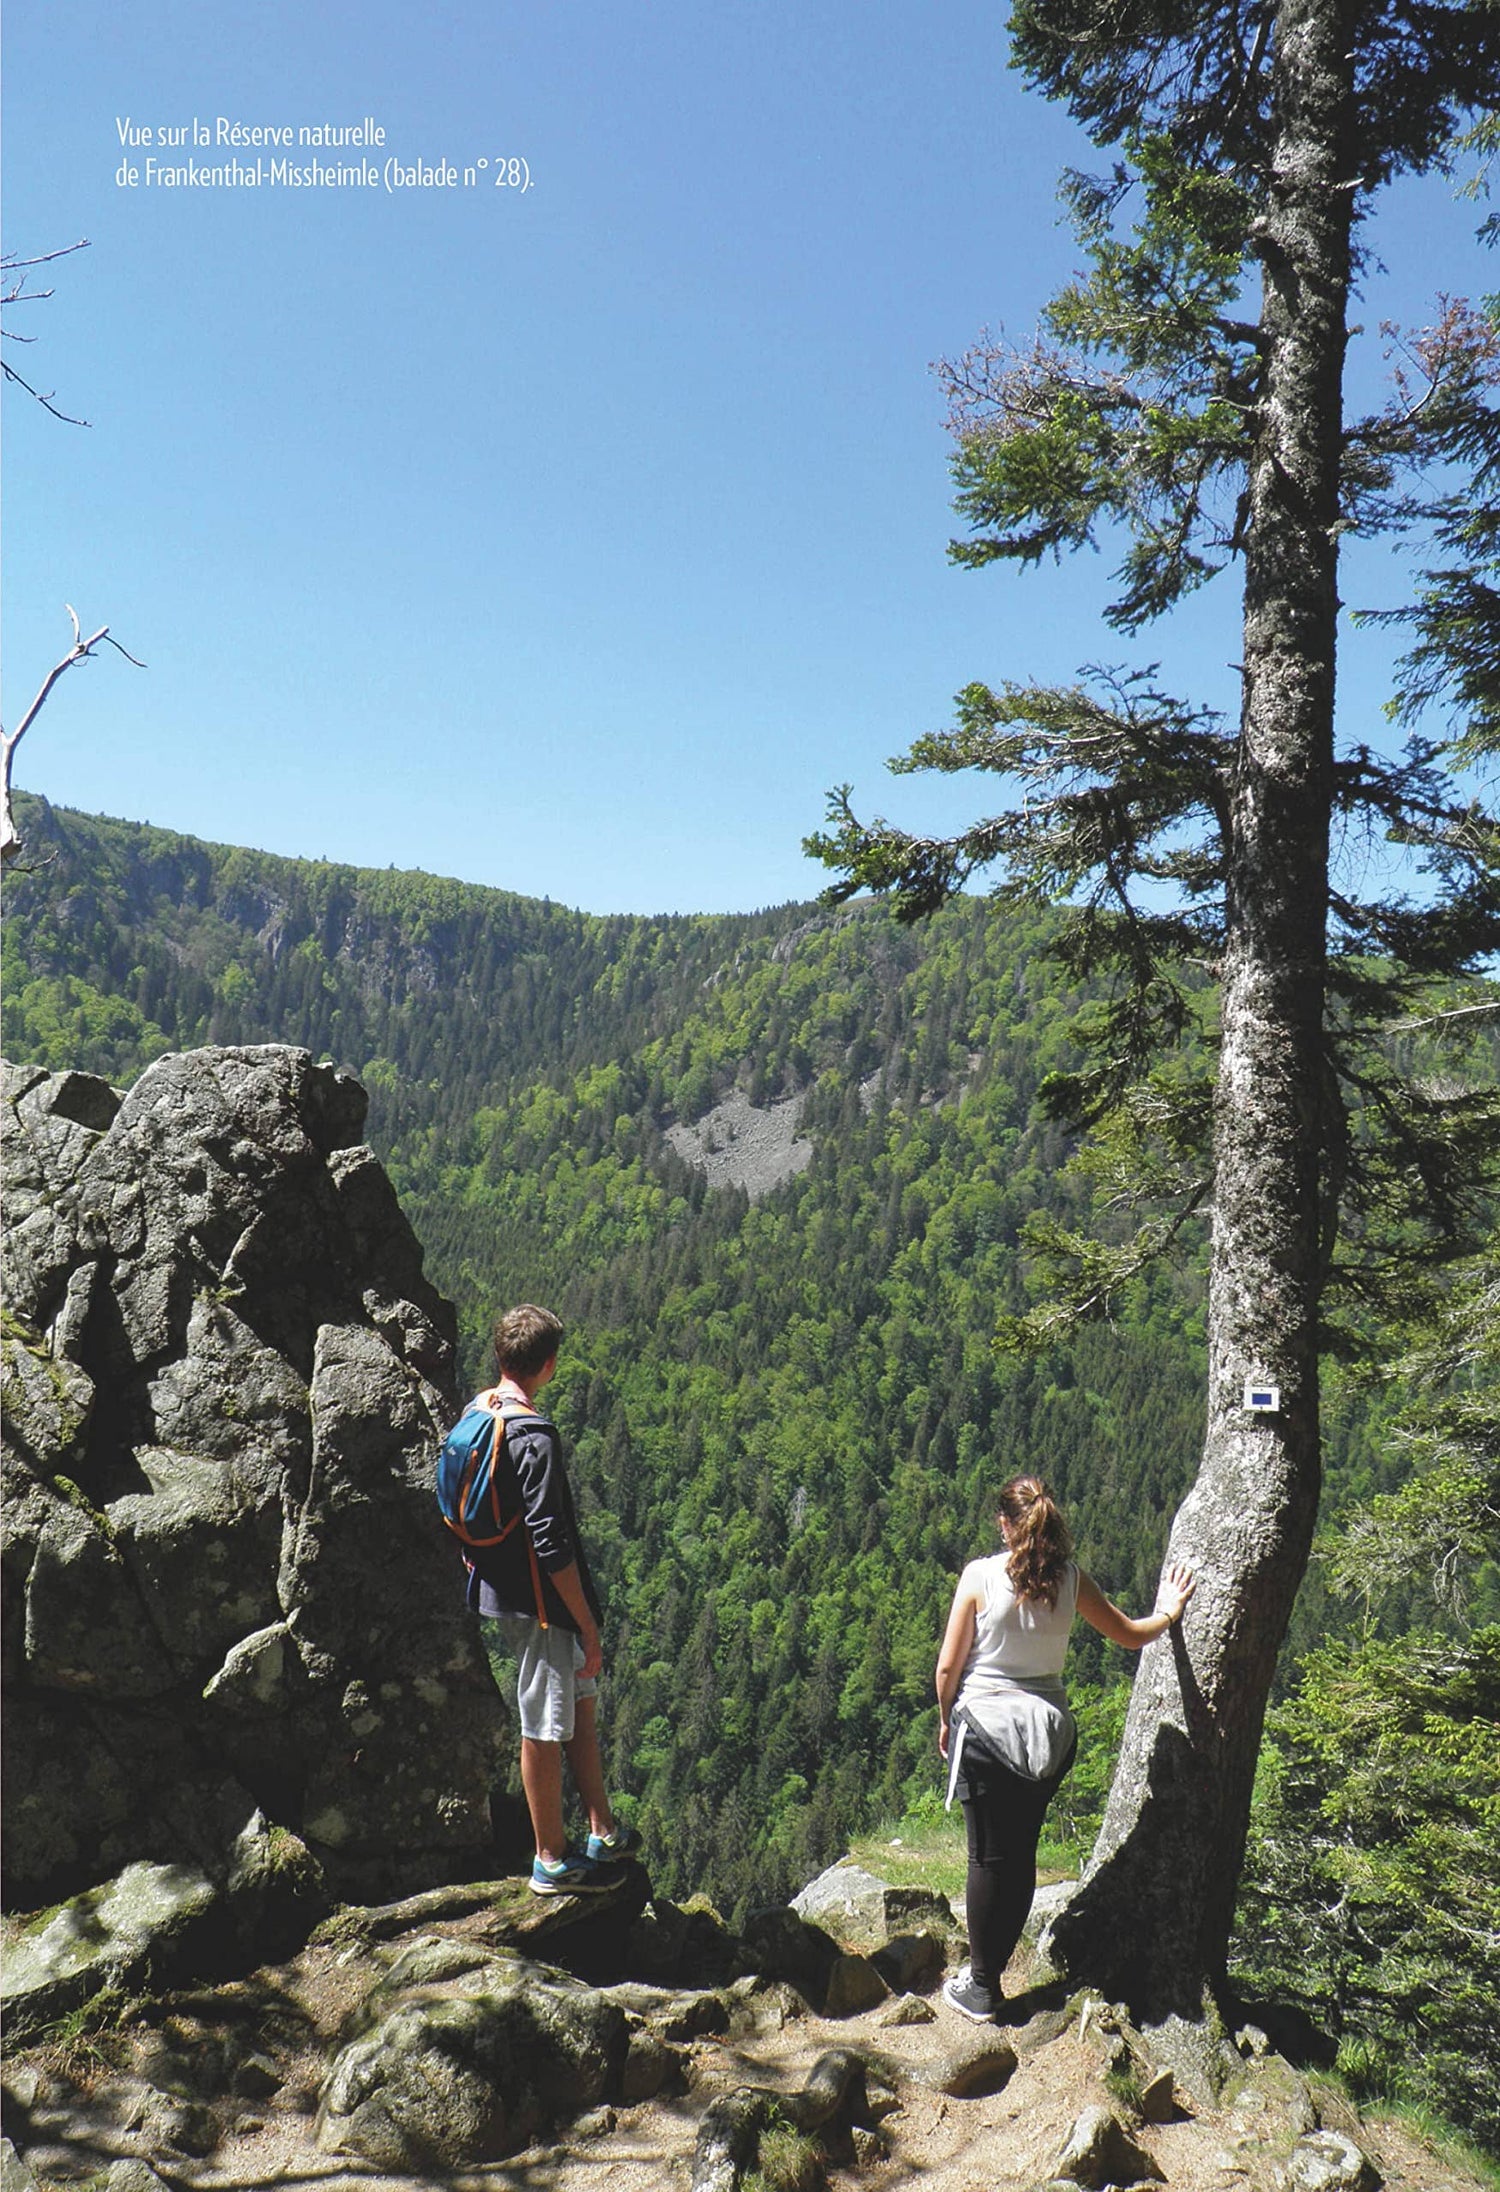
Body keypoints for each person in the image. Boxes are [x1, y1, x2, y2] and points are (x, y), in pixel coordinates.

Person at [934, 1474, 1195, 2022]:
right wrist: (1171, 1611)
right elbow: (1128, 1633)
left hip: (985, 1727)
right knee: (1021, 1854)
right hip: (1049, 1736)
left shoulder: (980, 1577)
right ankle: (992, 1971)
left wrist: (945, 1719)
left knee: (986, 1856)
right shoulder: (1071, 1581)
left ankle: (981, 1988)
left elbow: (946, 1669)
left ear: (1006, 1525)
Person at [463, 1303, 641, 1894]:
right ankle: (551, 1860)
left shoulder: (480, 1409)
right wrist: (586, 1624)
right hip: (542, 1604)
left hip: (505, 1590)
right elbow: (551, 1542)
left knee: (580, 1700)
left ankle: (601, 1829)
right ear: (550, 1364)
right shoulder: (532, 1433)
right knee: (543, 1723)